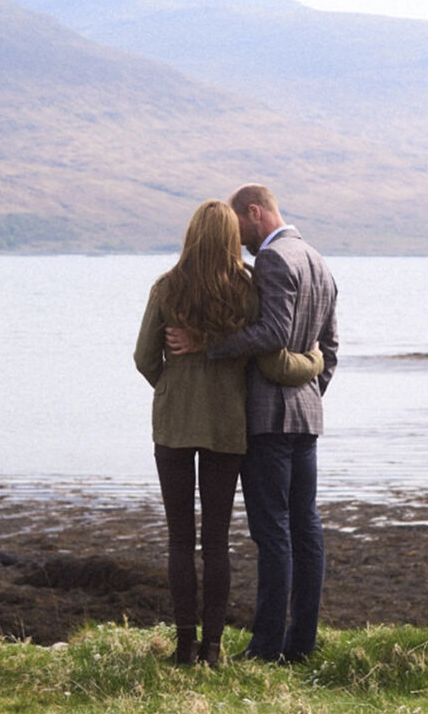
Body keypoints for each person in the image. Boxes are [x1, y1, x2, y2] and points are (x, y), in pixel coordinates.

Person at [133, 199, 324, 667]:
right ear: (228, 239)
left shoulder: (166, 286)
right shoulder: (247, 289)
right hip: (227, 426)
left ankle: (184, 647)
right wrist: (315, 361)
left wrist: (172, 388)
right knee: (216, 541)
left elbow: (144, 358)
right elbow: (268, 350)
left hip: (174, 425)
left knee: (180, 540)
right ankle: (213, 649)